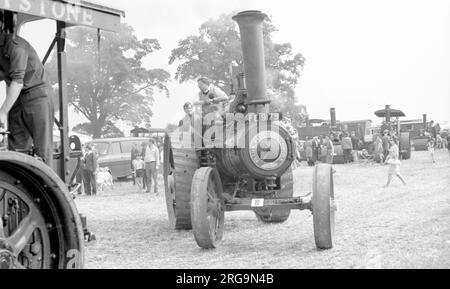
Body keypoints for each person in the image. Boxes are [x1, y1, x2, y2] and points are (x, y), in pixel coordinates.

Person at [0, 14, 54, 167]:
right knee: (17, 150)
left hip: (37, 95)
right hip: (17, 97)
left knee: (42, 151)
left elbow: (17, 81)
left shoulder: (16, 45)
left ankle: (44, 188)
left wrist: (2, 112)